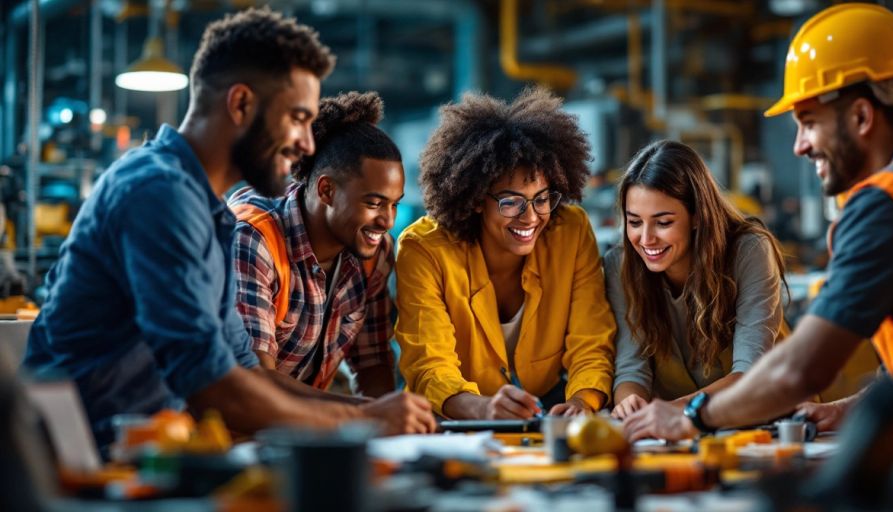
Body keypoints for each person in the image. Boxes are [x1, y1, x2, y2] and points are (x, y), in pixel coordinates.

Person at [23, 9, 399, 452]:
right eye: (297, 118)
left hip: (147, 453)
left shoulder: (210, 213)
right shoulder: (159, 192)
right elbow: (212, 387)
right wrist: (359, 420)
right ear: (240, 104)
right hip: (81, 460)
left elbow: (245, 371)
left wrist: (361, 415)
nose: (307, 144)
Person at [623, 3, 893, 455]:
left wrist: (692, 416)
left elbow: (800, 372)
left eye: (809, 123)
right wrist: (847, 408)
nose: (798, 146)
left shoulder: (889, 203)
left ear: (860, 117)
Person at [395, 88, 615, 419]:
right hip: (453, 415)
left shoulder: (570, 230)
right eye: (511, 201)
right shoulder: (423, 249)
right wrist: (482, 409)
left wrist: (583, 403)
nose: (530, 217)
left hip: (548, 404)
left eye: (542, 198)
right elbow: (429, 364)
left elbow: (591, 339)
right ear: (476, 199)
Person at [229, 91, 434, 433]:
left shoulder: (374, 251)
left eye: (394, 205)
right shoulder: (253, 238)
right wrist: (369, 414)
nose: (386, 220)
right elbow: (256, 380)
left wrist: (396, 428)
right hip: (221, 435)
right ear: (326, 191)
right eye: (374, 203)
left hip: (304, 432)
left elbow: (373, 360)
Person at [607, 140, 787, 420]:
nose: (645, 239)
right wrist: (630, 402)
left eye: (663, 222)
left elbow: (751, 372)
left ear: (696, 216)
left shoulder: (749, 250)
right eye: (634, 222)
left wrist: (675, 410)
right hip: (672, 430)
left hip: (763, 418)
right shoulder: (620, 264)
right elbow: (631, 368)